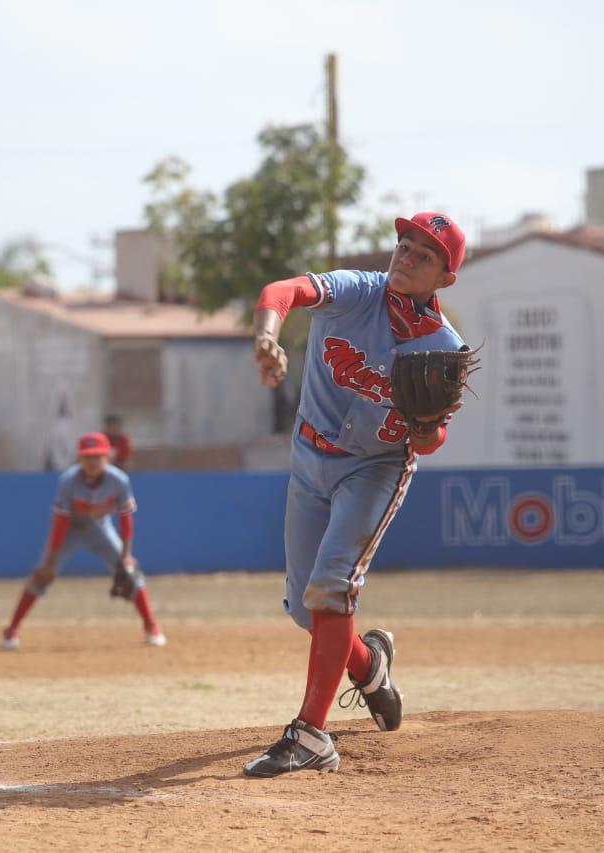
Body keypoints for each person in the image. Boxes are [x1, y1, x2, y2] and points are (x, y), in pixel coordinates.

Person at [242, 212, 469, 778]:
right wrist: (267, 334)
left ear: (444, 278)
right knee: (306, 610)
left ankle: (312, 736)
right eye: (406, 243)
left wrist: (425, 430)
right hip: (309, 457)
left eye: (426, 254)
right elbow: (284, 289)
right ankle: (370, 665)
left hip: (375, 468)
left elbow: (434, 437)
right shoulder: (355, 292)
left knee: (330, 589)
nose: (407, 255)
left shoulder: (444, 347)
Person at [1, 431, 166, 650]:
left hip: (100, 527)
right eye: (88, 456)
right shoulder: (68, 481)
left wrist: (126, 555)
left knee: (130, 573)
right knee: (42, 574)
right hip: (71, 529)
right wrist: (51, 560)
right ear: (80, 458)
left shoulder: (118, 480)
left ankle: (151, 626)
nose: (93, 461)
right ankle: (12, 629)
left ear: (107, 456)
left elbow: (126, 518)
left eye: (98, 456)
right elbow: (60, 522)